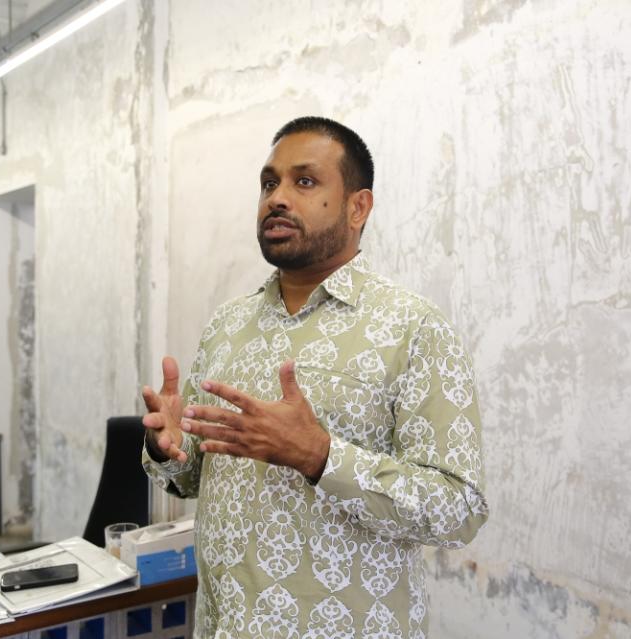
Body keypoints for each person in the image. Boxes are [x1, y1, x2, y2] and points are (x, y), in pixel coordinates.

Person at [142, 116, 487, 639]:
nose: (277, 197)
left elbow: (458, 509)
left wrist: (321, 456)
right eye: (268, 182)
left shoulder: (412, 329)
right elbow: (190, 481)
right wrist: (168, 447)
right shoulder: (228, 325)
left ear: (358, 206)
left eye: (304, 182)